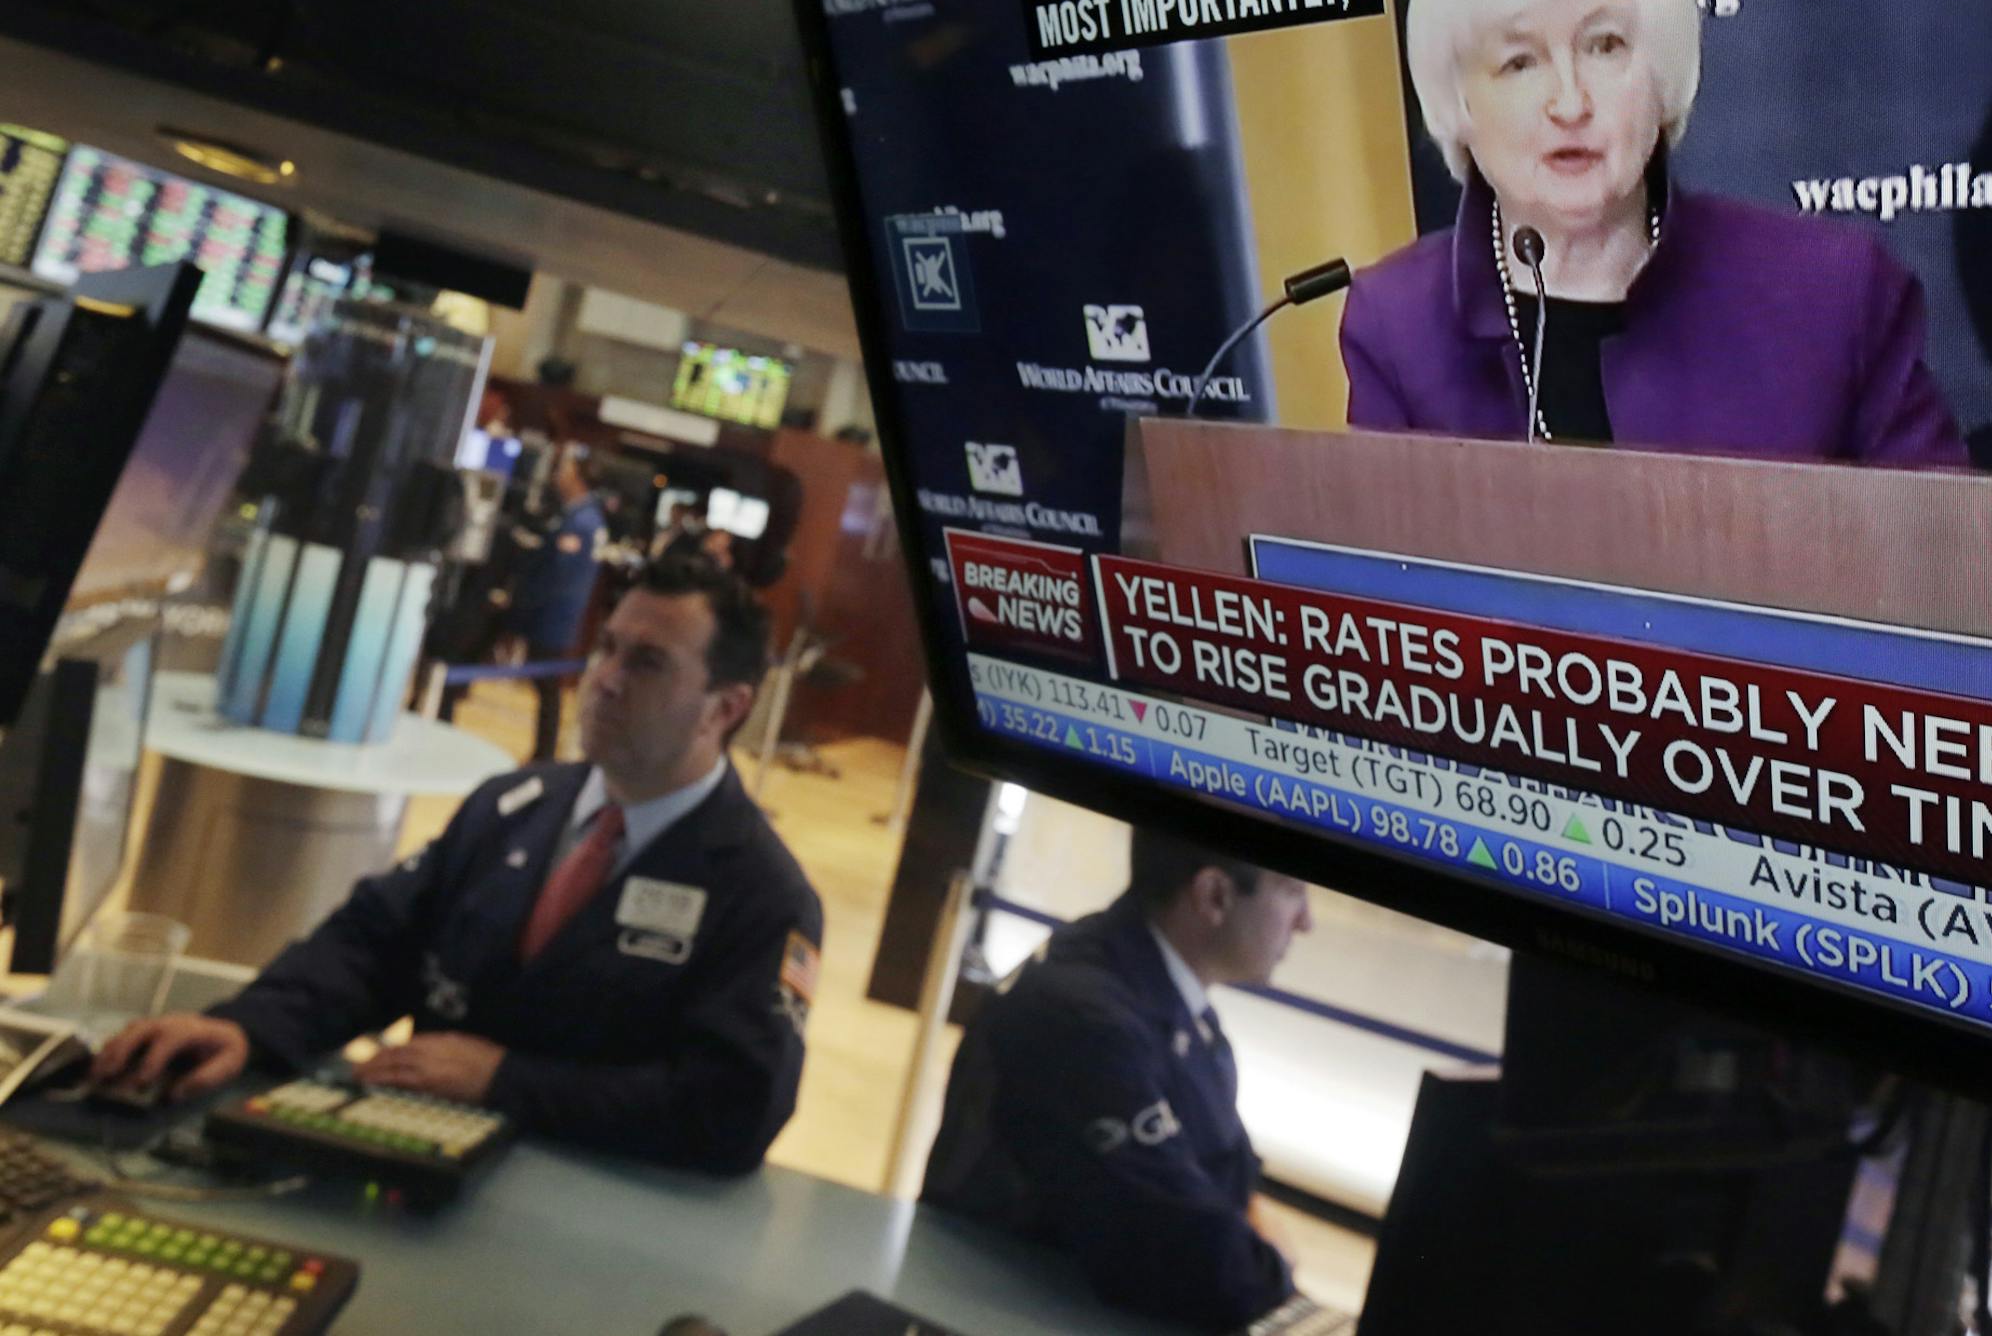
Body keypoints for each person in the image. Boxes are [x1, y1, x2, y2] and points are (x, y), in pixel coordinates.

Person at [91, 555, 822, 1176]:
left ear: (724, 709)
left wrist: (508, 1082)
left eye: (648, 663)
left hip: (587, 1204)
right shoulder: (514, 805)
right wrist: (252, 1028)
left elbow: (732, 1108)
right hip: (417, 1168)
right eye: (607, 647)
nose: (604, 679)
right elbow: (374, 945)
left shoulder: (761, 894)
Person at [1340, 0, 1967, 466]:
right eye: (1520, 62)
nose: (1569, 103)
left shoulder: (1833, 297)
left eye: (1604, 45)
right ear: (1458, 100)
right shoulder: (1397, 329)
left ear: (1661, 66)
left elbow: (1941, 563)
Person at [923, 831, 1314, 1329]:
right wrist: (1272, 1266)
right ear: (1214, 895)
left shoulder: (1170, 1002)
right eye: (1291, 890)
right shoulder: (1084, 1020)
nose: (1306, 922)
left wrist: (1250, 1236)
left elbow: (1230, 1177)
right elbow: (1199, 1262)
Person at [503, 446, 608, 760]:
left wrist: (523, 603)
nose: (558, 476)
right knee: (545, 686)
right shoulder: (576, 514)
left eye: (564, 469)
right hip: (551, 615)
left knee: (548, 687)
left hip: (554, 617)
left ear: (577, 476)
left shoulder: (583, 521)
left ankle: (545, 754)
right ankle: (543, 752)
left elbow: (560, 576)